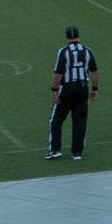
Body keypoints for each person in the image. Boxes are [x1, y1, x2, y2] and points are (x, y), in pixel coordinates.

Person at [45, 25, 99, 161]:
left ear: (67, 37)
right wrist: (94, 89)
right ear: (78, 36)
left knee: (56, 119)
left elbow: (58, 73)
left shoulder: (63, 52)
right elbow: (94, 72)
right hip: (82, 88)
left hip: (67, 88)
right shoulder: (87, 51)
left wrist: (54, 90)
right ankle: (77, 153)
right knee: (79, 121)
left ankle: (55, 150)